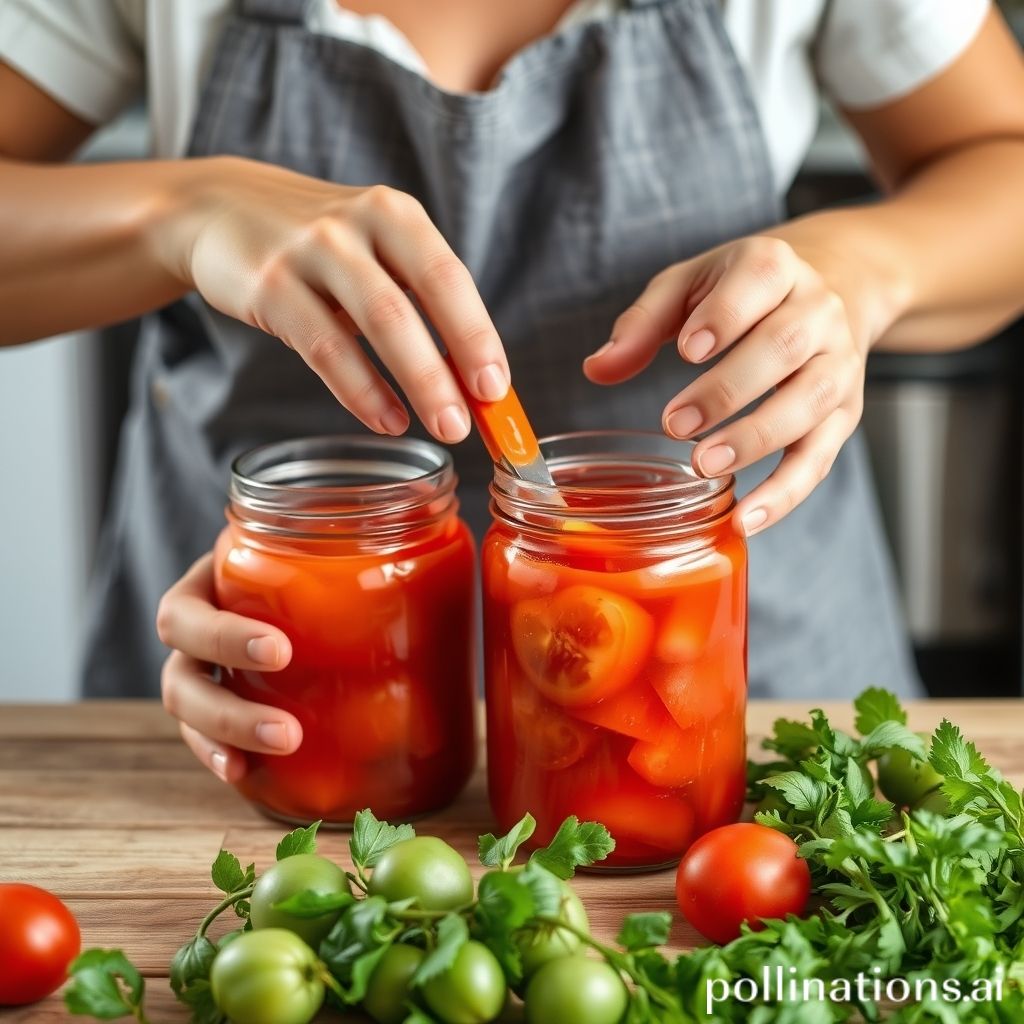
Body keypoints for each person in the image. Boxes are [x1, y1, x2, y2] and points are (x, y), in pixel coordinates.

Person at [1, 0, 1023, 783]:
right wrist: (179, 212)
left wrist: (862, 268)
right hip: (268, 705)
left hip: (749, 709)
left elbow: (1000, 161)